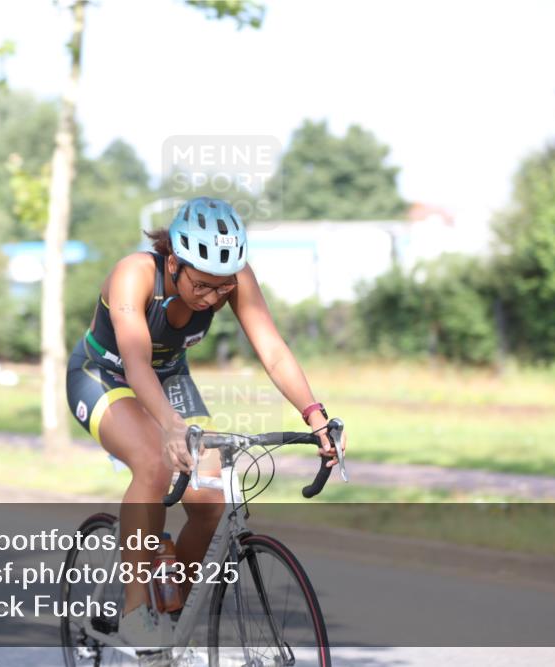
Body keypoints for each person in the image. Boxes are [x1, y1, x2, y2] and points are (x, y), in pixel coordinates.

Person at [65, 196, 346, 646]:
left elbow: (272, 350)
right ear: (174, 262)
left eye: (224, 288)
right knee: (153, 464)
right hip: (104, 373)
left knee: (212, 498)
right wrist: (172, 428)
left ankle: (171, 610)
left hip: (171, 376)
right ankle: (137, 610)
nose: (214, 298)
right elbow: (136, 365)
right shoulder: (134, 275)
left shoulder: (235, 280)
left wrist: (315, 415)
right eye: (203, 287)